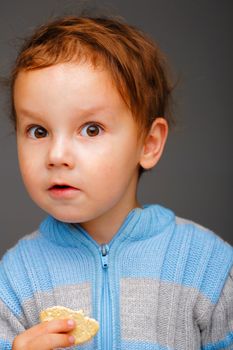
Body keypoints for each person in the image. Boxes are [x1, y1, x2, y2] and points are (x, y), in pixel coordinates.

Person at [0, 14, 232, 350]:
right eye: (39, 131)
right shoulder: (14, 279)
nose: (56, 154)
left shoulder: (207, 265)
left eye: (91, 129)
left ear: (148, 144)